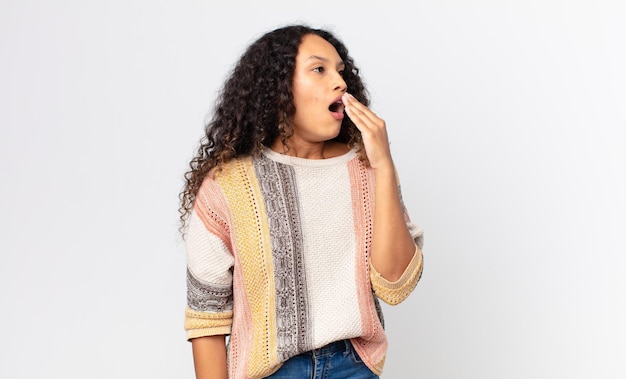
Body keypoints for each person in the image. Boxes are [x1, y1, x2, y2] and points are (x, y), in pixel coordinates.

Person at [178, 24, 424, 379]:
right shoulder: (228, 185)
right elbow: (207, 318)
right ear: (277, 88)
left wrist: (384, 165)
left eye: (340, 71)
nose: (339, 82)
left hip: (353, 368)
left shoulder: (369, 170)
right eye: (319, 69)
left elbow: (395, 284)